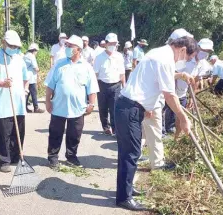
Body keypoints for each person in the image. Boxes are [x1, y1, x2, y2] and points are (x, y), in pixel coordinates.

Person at [114, 36, 197, 211]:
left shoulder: (158, 53)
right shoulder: (165, 59)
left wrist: (179, 75)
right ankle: (123, 198)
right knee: (131, 153)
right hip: (130, 108)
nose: (184, 60)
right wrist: (183, 118)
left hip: (131, 106)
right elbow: (170, 95)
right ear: (182, 49)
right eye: (186, 57)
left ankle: (125, 189)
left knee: (129, 153)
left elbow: (156, 79)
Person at [45, 35, 99, 168]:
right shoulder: (59, 64)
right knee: (55, 133)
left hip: (77, 108)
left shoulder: (86, 67)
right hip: (59, 106)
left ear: (78, 49)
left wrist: (91, 104)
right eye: (67, 46)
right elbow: (50, 85)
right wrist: (47, 101)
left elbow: (92, 88)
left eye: (70, 46)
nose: (67, 48)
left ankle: (71, 156)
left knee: (74, 134)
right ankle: (53, 156)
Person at [0, 30, 29, 173]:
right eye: (11, 46)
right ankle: (3, 160)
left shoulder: (19, 58)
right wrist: (2, 83)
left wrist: (25, 89)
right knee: (3, 133)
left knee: (18, 132)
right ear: (3, 43)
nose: (14, 49)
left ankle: (16, 156)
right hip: (3, 102)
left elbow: (26, 76)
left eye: (16, 47)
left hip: (18, 102)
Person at [93, 33, 125, 136]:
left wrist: (124, 86)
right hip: (102, 85)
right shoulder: (99, 57)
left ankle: (115, 129)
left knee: (114, 108)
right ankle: (105, 127)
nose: (112, 45)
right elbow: (95, 74)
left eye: (114, 43)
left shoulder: (119, 56)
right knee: (103, 108)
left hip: (116, 85)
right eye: (110, 43)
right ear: (105, 44)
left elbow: (122, 73)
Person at [24, 43, 45, 113]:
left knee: (27, 93)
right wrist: (39, 70)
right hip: (31, 78)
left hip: (26, 78)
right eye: (36, 51)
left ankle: (24, 107)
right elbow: (35, 68)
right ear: (34, 50)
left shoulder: (26, 55)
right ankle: (36, 108)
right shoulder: (31, 56)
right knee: (34, 93)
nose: (36, 53)